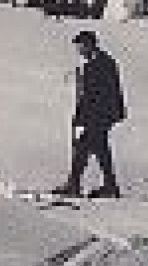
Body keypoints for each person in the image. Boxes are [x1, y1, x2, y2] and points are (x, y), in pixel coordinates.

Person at [53, 30, 126, 198]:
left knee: (86, 147)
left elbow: (94, 95)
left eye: (80, 46)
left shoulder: (100, 64)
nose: (78, 50)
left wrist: (81, 117)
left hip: (102, 114)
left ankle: (77, 185)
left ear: (88, 45)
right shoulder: (98, 62)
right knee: (96, 149)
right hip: (101, 114)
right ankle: (106, 186)